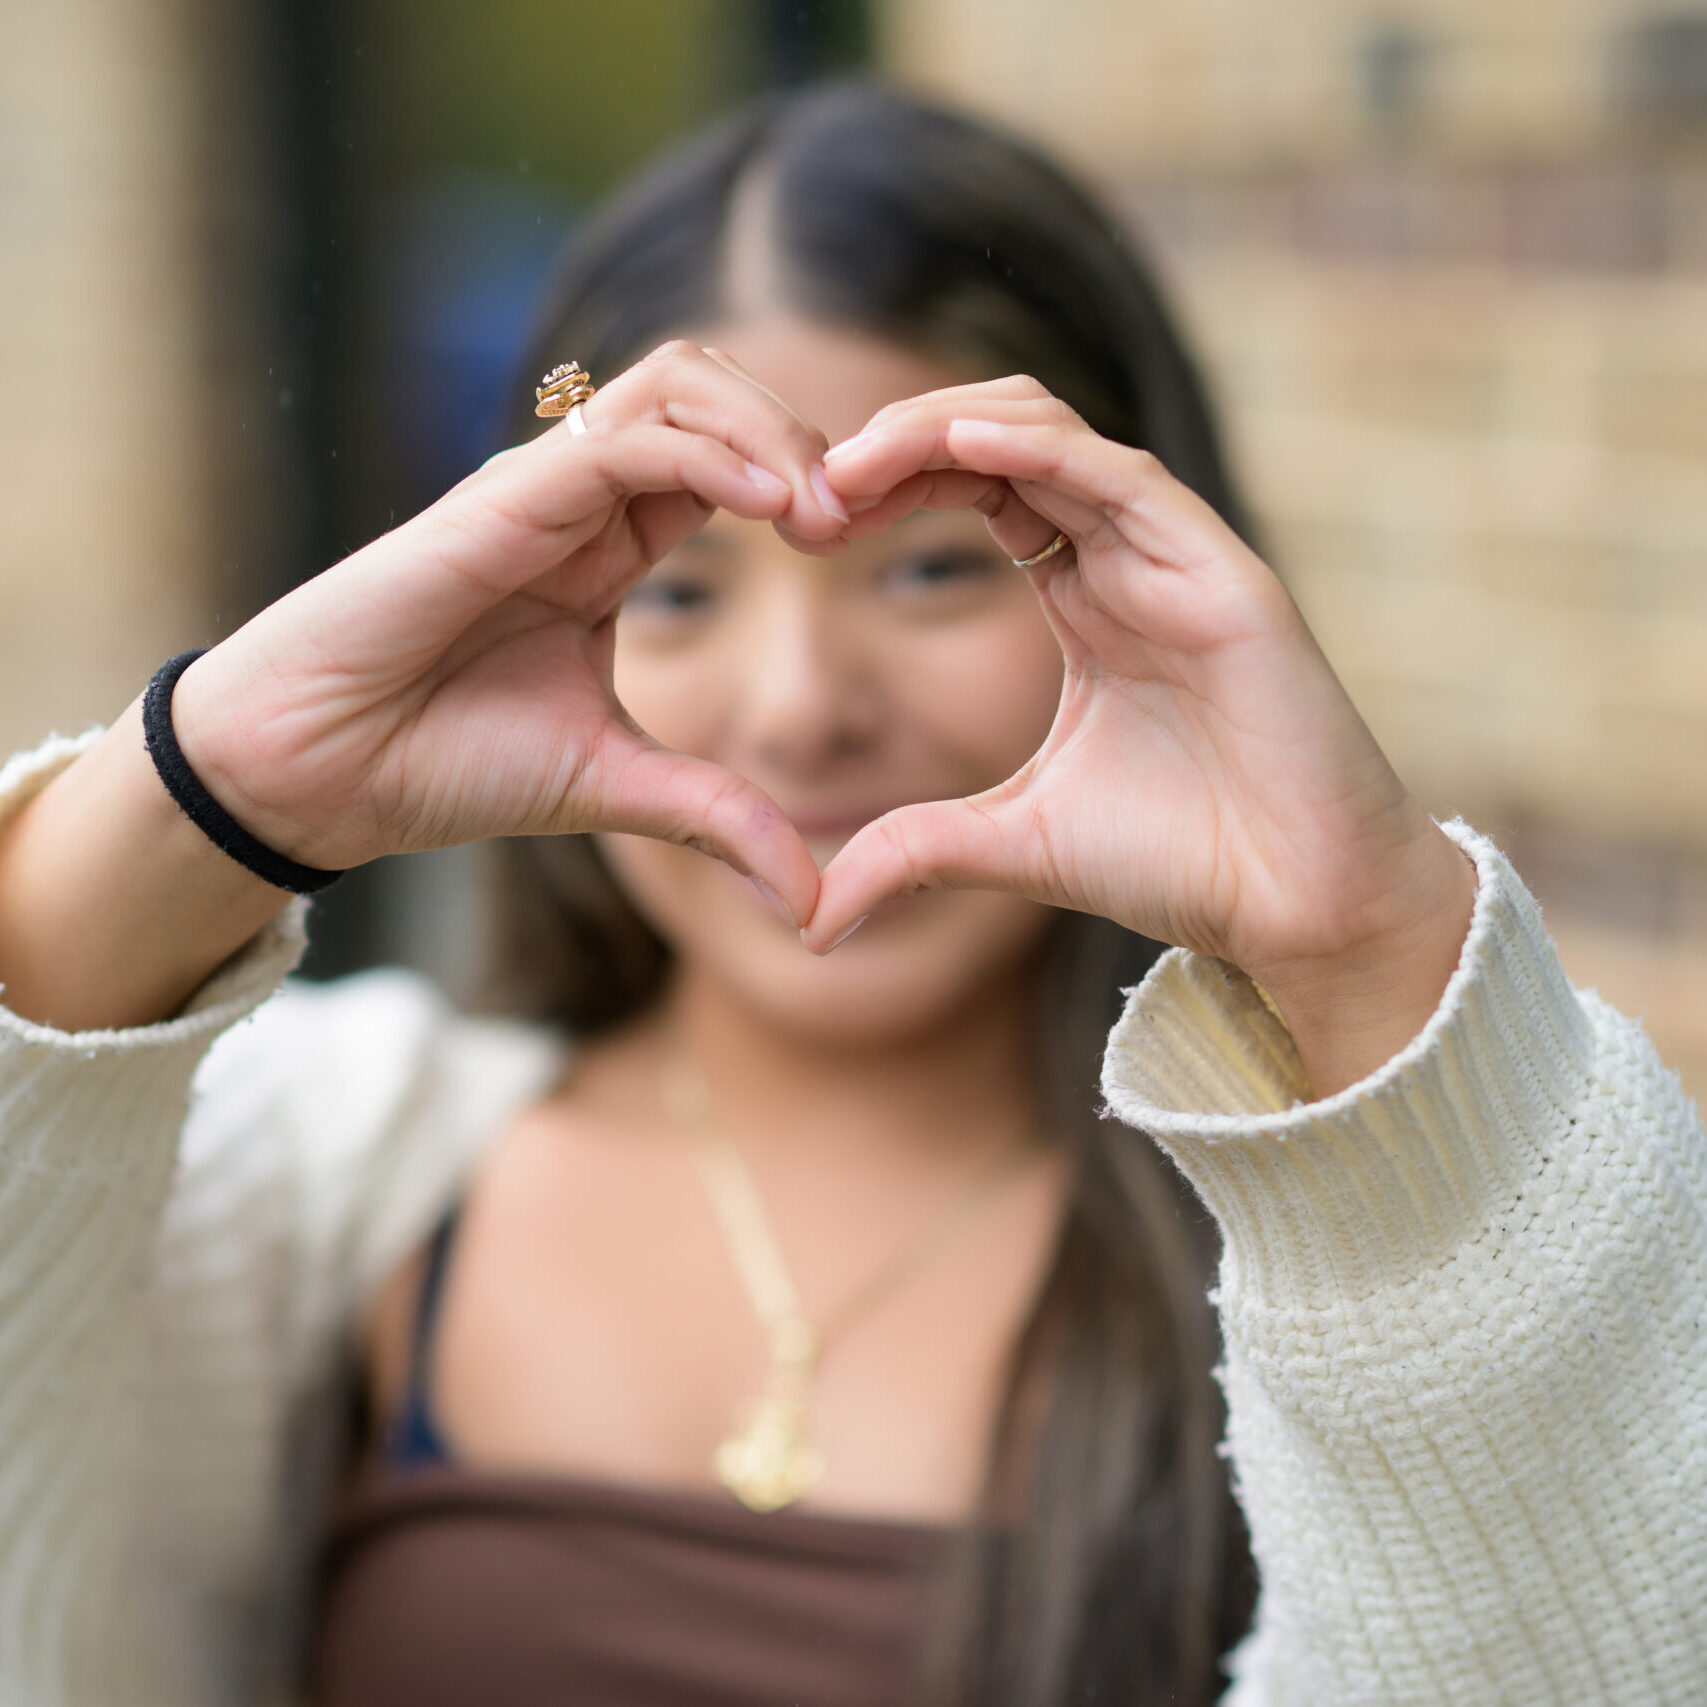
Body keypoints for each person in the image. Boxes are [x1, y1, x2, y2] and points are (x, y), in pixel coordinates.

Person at [0, 81, 1701, 1707]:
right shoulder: (308, 1174)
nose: (803, 707)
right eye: (677, 590)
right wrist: (219, 779)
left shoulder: (1373, 1257)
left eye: (939, 565)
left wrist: (1367, 959)